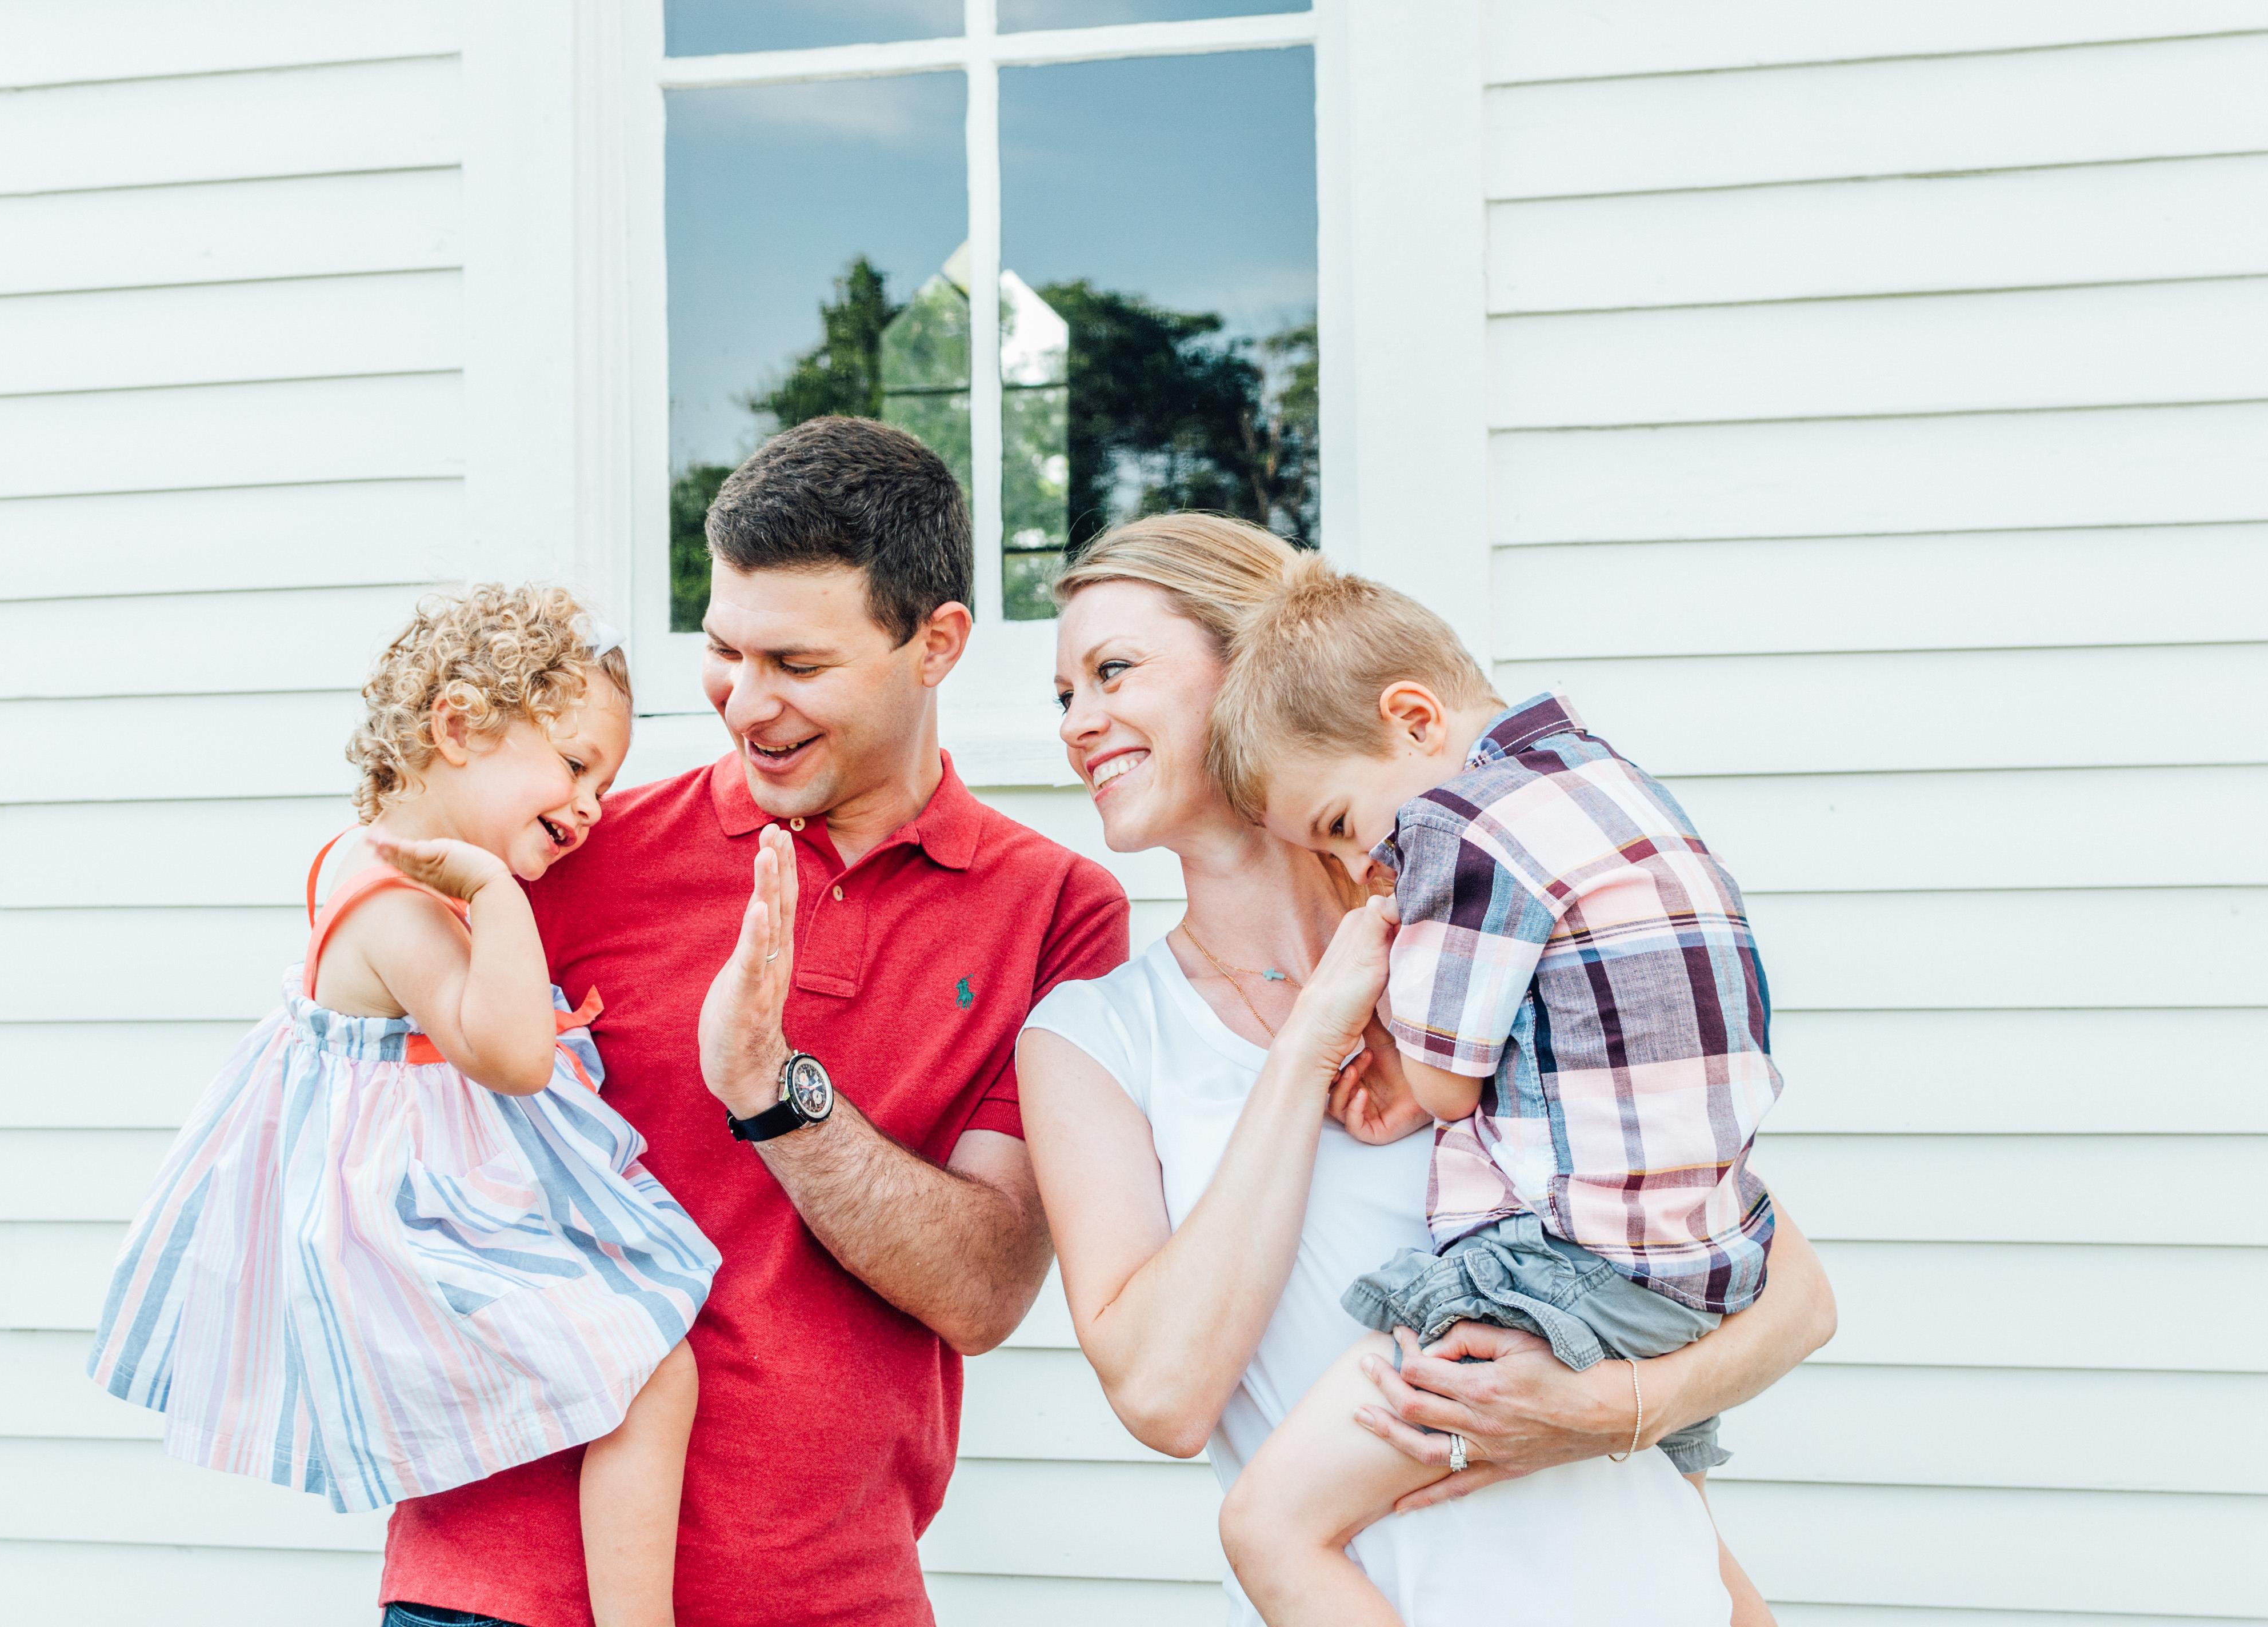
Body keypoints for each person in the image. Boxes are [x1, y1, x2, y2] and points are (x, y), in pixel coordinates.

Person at [377, 417, 1132, 1627]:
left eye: (797, 662)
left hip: (828, 1595)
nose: (746, 701)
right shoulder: (565, 854)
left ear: (937, 644)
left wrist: (772, 1088)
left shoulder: (1054, 911)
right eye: (724, 649)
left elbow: (986, 1289)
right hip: (498, 1588)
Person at [1017, 514, 1837, 1626]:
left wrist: (1608, 1412)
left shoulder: (1501, 939)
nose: (1079, 723)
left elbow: (1788, 1291)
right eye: (1063, 695)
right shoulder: (1097, 1038)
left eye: (1113, 671)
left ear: (1255, 660)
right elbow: (1164, 1395)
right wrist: (1311, 1041)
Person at [89, 586, 717, 1627]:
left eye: (605, 783)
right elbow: (512, 1057)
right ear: (458, 728)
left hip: (432, 1207)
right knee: (653, 1367)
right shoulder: (393, 903)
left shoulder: (383, 872)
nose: (593, 806)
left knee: (639, 1361)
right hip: (409, 1239)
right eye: (574, 766)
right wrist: (499, 897)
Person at [1202, 558, 1783, 1625]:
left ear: (1414, 720)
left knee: (1269, 1525)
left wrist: (1384, 1018)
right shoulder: (1611, 780)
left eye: (1343, 823)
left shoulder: (1460, 826)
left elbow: (1443, 1081)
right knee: (1674, 1536)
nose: (1362, 864)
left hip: (1574, 1266)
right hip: (1710, 1257)